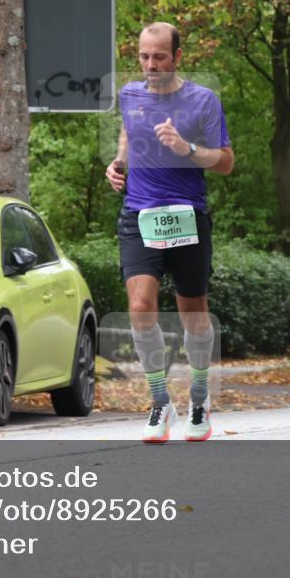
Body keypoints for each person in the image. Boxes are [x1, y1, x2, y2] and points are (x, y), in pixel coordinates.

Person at [105, 22, 235, 442]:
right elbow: (128, 131)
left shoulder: (203, 100)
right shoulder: (129, 95)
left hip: (186, 216)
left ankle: (199, 399)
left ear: (178, 56)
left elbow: (227, 162)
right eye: (143, 56)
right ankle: (160, 402)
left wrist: (187, 149)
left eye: (159, 56)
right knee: (141, 308)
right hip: (138, 214)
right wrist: (119, 164)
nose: (150, 65)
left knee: (193, 316)